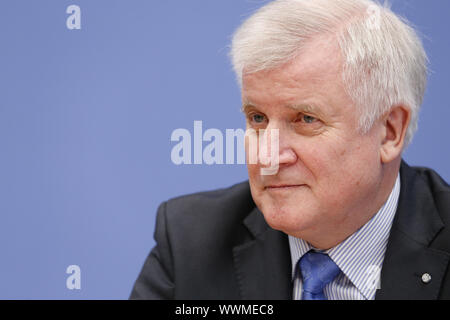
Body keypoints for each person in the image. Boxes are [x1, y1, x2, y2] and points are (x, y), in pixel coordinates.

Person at [130, 0, 450, 300]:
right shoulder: (191, 242)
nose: (267, 157)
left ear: (389, 132)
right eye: (257, 118)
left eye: (306, 119)